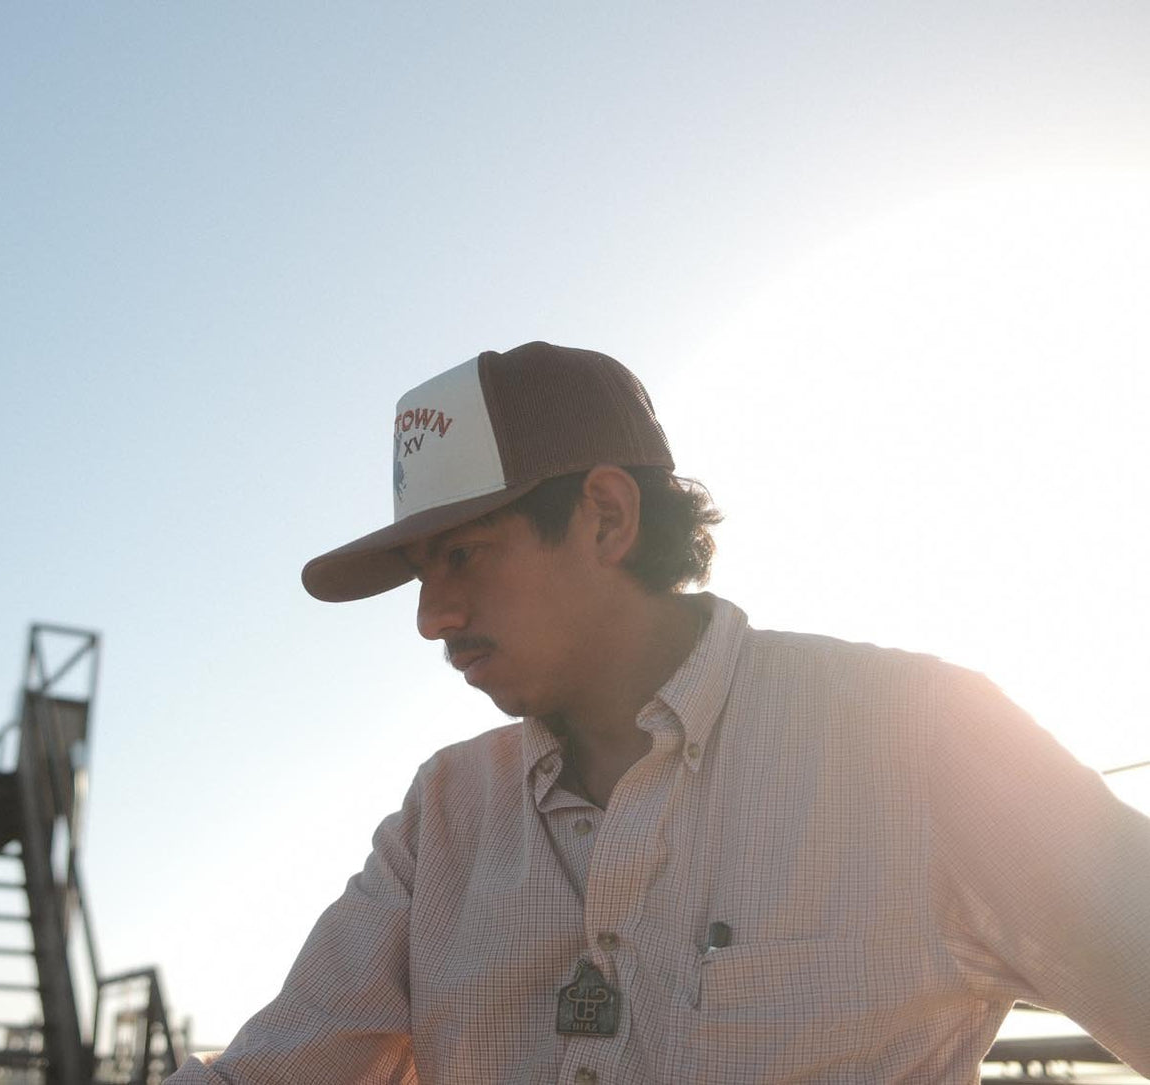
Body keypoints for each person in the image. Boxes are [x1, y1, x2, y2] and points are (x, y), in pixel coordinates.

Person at [168, 342, 1150, 1083]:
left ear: (605, 515)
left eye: (462, 554)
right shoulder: (444, 816)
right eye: (420, 576)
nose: (431, 616)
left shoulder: (923, 737)